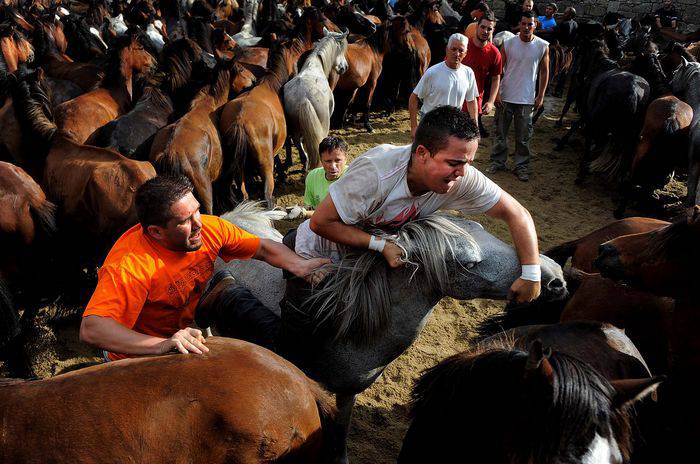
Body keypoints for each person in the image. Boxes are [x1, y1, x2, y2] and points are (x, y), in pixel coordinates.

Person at [295, 105, 542, 303]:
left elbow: (517, 213)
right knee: (309, 312)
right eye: (455, 163)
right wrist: (380, 246)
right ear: (422, 153)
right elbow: (320, 222)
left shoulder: (460, 177)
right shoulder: (376, 172)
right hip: (324, 250)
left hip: (377, 253)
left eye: (468, 162)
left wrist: (532, 274)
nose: (463, 173)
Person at [80, 175, 329, 360]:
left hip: (182, 336)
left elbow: (262, 247)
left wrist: (299, 264)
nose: (198, 223)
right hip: (136, 357)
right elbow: (93, 329)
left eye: (196, 210)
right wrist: (162, 344)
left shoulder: (208, 229)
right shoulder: (130, 266)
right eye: (184, 221)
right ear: (156, 232)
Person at [489, 10, 549, 182]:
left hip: (527, 99)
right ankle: (498, 162)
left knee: (523, 137)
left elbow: (545, 72)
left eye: (530, 24)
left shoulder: (543, 46)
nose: (526, 27)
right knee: (500, 132)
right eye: (523, 23)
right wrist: (497, 92)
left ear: (535, 25)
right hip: (506, 96)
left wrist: (541, 95)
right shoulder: (508, 44)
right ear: (519, 24)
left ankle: (521, 166)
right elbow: (498, 70)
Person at [409, 33, 479, 138]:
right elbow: (413, 98)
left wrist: (475, 128)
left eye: (461, 51)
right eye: (453, 49)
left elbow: (471, 101)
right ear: (447, 49)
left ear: (466, 53)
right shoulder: (432, 72)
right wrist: (414, 127)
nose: (457, 53)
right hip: (430, 124)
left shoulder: (468, 73)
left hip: (453, 125)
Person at [462, 11, 502, 138]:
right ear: (477, 27)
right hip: (454, 100)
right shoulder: (463, 46)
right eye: (483, 27)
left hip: (474, 104)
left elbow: (496, 78)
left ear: (493, 31)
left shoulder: (494, 53)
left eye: (489, 29)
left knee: (469, 140)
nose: (485, 31)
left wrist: (490, 102)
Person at [303, 136, 349, 209]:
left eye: (337, 160)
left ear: (346, 158)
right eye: (328, 161)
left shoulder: (352, 177)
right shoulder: (312, 176)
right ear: (321, 160)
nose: (333, 166)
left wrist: (305, 213)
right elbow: (309, 206)